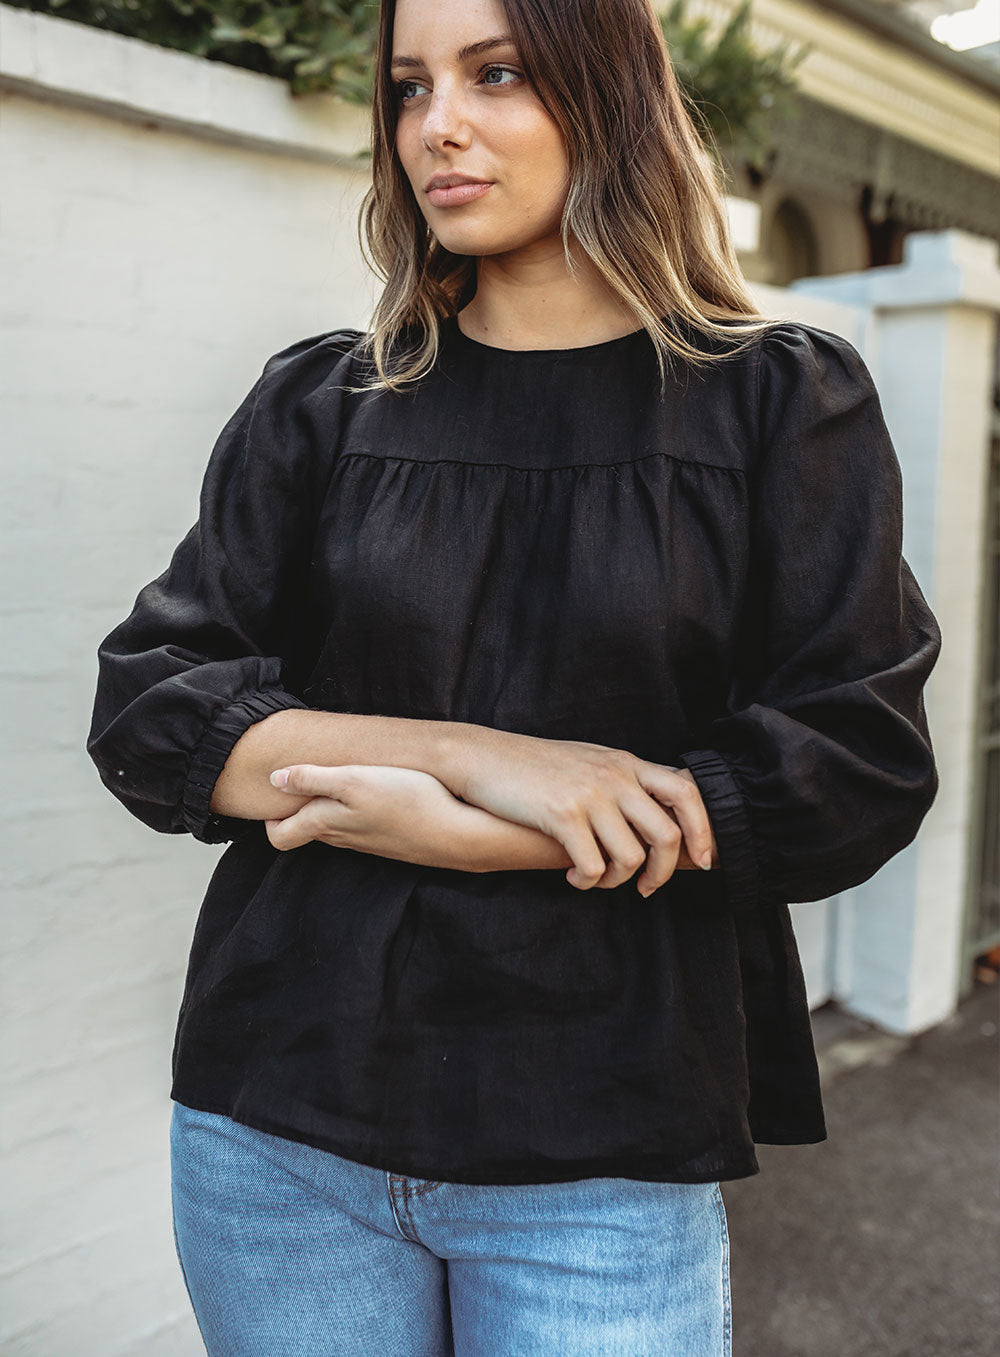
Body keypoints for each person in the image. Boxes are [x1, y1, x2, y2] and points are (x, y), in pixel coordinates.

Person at [86, 0, 942, 1351]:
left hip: (599, 1144)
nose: (439, 126)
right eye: (409, 87)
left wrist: (481, 839)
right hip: (281, 1124)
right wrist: (486, 759)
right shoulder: (321, 404)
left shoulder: (779, 403)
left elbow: (852, 767)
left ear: (610, 93)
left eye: (497, 75)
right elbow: (154, 711)